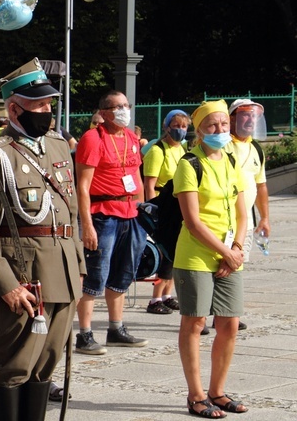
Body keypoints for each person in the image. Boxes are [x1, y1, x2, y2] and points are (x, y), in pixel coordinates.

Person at [0, 58, 85, 421]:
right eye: (39, 105)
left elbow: (71, 213)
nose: (47, 111)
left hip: (63, 277)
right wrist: (5, 285)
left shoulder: (58, 146)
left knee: (45, 367)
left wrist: (78, 268)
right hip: (25, 280)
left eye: (49, 104)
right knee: (15, 367)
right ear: (15, 109)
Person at [172, 99, 248, 418]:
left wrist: (237, 249)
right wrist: (225, 252)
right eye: (212, 125)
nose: (220, 130)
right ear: (200, 131)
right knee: (196, 322)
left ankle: (217, 391)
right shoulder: (189, 164)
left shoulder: (231, 162)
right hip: (196, 256)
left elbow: (244, 213)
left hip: (230, 254)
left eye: (224, 125)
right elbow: (192, 220)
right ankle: (196, 394)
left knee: (229, 324)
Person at [74, 90, 148, 355]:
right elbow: (82, 186)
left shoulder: (131, 138)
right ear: (104, 113)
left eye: (126, 105)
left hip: (130, 212)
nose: (124, 111)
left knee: (123, 273)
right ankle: (84, 334)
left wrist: (143, 210)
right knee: (95, 274)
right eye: (117, 107)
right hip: (102, 212)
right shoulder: (92, 139)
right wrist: (87, 225)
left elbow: (136, 175)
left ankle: (116, 329)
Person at [223, 99, 269, 333]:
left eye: (254, 116)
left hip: (246, 222)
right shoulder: (222, 145)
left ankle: (228, 313)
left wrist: (264, 218)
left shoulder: (256, 149)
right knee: (216, 266)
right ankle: (205, 313)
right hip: (220, 220)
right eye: (245, 115)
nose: (251, 120)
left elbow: (261, 186)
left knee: (237, 266)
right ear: (232, 118)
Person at [143, 109, 190, 315]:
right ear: (167, 127)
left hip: (178, 203)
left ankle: (167, 295)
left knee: (175, 254)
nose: (180, 130)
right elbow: (149, 184)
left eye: (183, 127)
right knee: (165, 254)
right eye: (176, 126)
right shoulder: (157, 150)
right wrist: (153, 209)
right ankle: (155, 298)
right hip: (163, 204)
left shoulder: (183, 149)